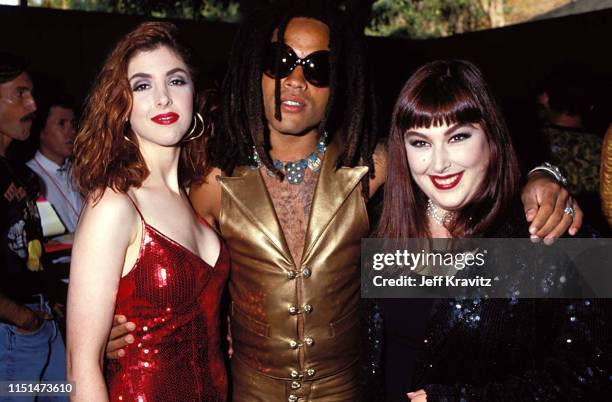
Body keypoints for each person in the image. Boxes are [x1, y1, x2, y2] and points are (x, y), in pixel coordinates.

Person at [107, 3, 583, 401]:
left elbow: (458, 167)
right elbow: (174, 279)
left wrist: (542, 180)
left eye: (317, 69)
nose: (296, 80)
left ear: (339, 85)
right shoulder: (211, 183)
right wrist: (121, 332)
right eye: (281, 61)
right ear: (258, 71)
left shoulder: (371, 169)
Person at [374, 60, 609, 402]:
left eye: (458, 137)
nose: (439, 164)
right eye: (421, 143)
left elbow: (595, 374)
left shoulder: (551, 232)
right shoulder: (379, 223)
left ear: (492, 136)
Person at [66, 22, 228, 401]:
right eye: (142, 85)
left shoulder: (196, 196)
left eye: (176, 81)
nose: (163, 98)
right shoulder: (114, 204)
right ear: (121, 107)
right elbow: (80, 365)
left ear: (194, 95)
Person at [0, 52, 68, 402]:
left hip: (42, 320)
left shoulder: (21, 174)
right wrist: (21, 318)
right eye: (20, 94)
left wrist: (49, 302)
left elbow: (32, 246)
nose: (33, 104)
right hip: (13, 330)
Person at [26, 95, 82, 233]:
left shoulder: (82, 171)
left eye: (73, 124)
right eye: (61, 123)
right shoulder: (27, 176)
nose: (72, 132)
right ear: (41, 131)